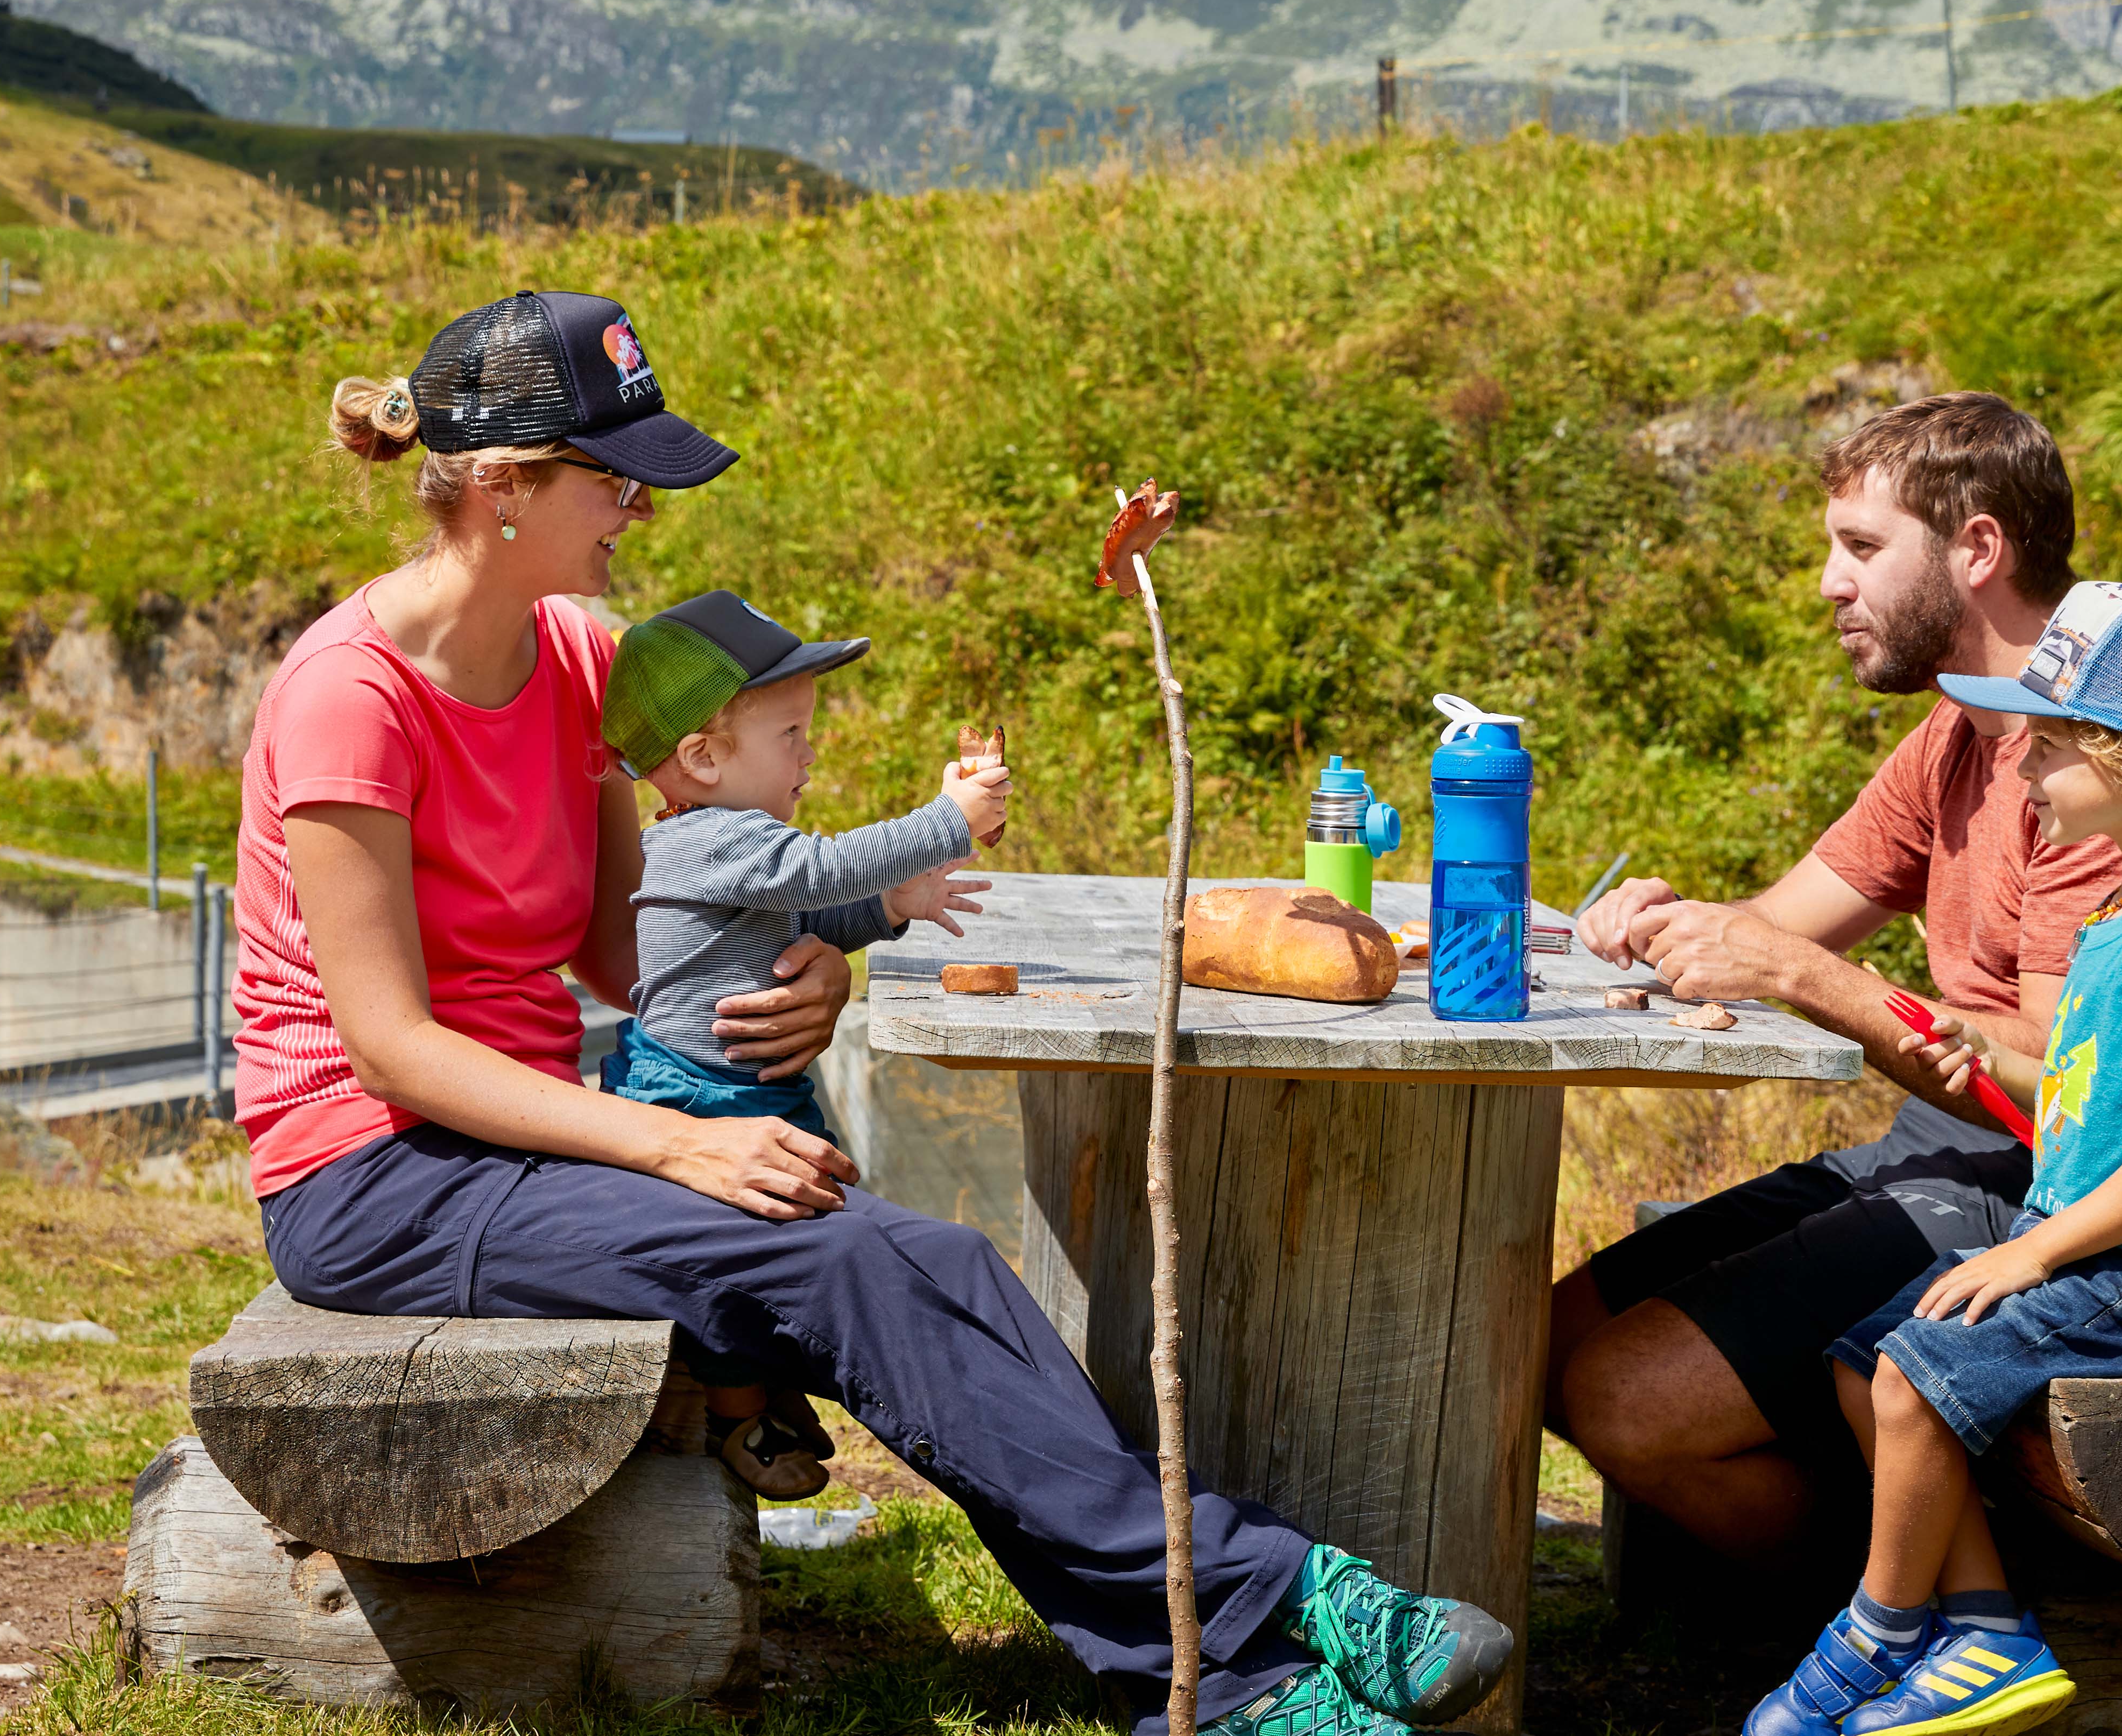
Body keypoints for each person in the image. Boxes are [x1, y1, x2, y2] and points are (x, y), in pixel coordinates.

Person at [230, 288, 1512, 1736]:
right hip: (376, 1171)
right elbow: (390, 1044)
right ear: (506, 487)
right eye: (614, 477)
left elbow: (626, 951)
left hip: (525, 1135)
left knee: (926, 1259)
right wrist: (673, 1148)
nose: (640, 510)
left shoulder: (579, 666)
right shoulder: (350, 698)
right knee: (850, 1263)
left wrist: (805, 965)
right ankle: (1277, 1607)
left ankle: (1229, 1684)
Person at [1555, 392, 2122, 1570]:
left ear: (1978, 548)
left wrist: (1796, 973)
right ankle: (1907, 1585)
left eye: (1861, 547)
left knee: (1626, 1400)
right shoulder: (1961, 732)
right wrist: (1664, 924)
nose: (1828, 584)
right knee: (1553, 1337)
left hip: (2071, 1198)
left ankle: (1923, 1616)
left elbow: (2063, 1091)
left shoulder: (2108, 774)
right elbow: (1786, 922)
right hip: (1936, 1145)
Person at [1744, 583, 2122, 1736]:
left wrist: (2034, 1250)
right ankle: (1985, 1627)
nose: (2022, 768)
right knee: (1864, 1359)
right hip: (2105, 1254)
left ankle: (1876, 1630)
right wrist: (1984, 1048)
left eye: (2049, 746)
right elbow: (2090, 1099)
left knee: (1915, 1374)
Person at [595, 585, 1011, 1499]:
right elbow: (818, 868)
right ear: (702, 758)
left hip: (746, 1088)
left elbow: (802, 910)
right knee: (728, 1256)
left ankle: (770, 1386)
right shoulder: (707, 839)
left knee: (785, 1232)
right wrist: (946, 820)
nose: (810, 758)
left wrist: (891, 907)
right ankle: (740, 1412)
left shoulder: (729, 843)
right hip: (697, 1097)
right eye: (791, 738)